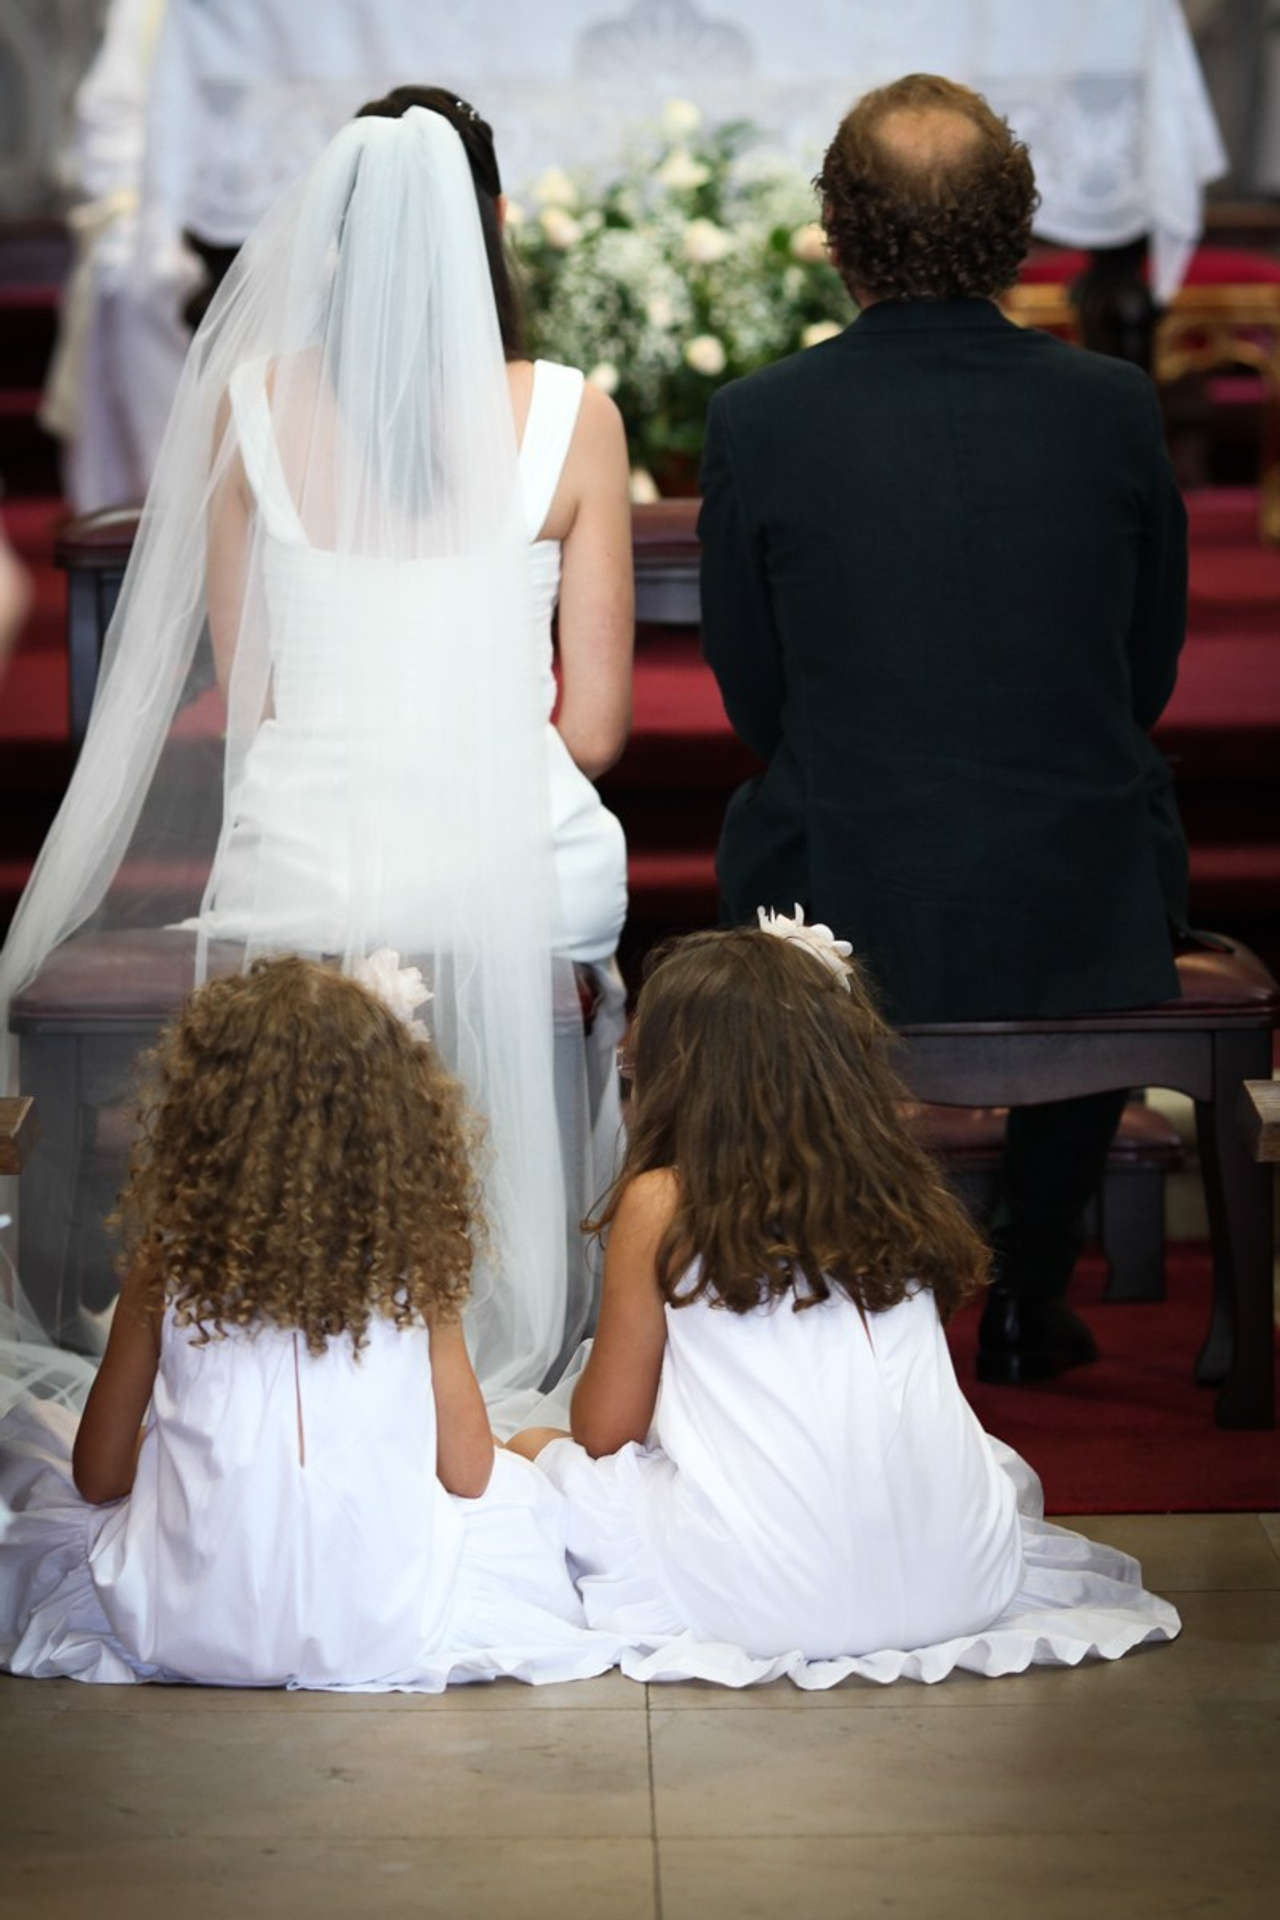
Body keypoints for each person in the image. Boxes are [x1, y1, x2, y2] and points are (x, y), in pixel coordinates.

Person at [0, 92, 632, 1421]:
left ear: (329, 242)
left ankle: (297, 1305)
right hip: (517, 857)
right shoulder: (576, 417)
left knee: (308, 884)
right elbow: (597, 731)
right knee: (556, 885)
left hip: (311, 860)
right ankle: (504, 1307)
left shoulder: (248, 409)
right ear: (497, 229)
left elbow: (257, 699)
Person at [696, 74, 1189, 1387]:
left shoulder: (760, 418)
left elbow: (753, 697)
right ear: (1017, 231)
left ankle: (863, 1286)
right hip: (1078, 882)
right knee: (1105, 822)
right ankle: (1028, 1284)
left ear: (839, 234)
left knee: (775, 822)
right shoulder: (1114, 406)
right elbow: (1147, 667)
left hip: (850, 876)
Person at [510, 920, 1180, 1687]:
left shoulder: (665, 1199)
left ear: (678, 1072)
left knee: (538, 1449)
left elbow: (604, 1431)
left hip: (764, 1600)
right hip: (960, 1581)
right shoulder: (897, 1187)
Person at [0, 955, 621, 1688]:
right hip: (380, 1624)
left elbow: (98, 1475)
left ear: (207, 1114)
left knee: (30, 1468)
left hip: (186, 1623)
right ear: (391, 1117)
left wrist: (192, 1448)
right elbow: (470, 1470)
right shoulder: (413, 1263)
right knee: (525, 1500)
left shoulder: (170, 1260)